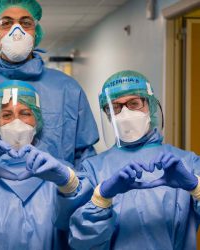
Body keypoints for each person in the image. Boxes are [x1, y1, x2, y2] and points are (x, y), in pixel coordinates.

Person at [0, 80, 93, 250]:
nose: (16, 122)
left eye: (25, 113)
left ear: (37, 119)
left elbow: (83, 230)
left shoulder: (58, 171)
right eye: (6, 115)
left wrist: (68, 185)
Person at [0, 0, 99, 166]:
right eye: (6, 23)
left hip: (55, 190)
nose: (16, 32)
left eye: (25, 23)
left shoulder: (67, 89)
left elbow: (85, 160)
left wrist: (69, 185)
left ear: (36, 31)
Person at [69, 70, 200, 250]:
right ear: (107, 114)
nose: (125, 114)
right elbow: (81, 242)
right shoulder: (92, 168)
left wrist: (196, 187)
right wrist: (101, 198)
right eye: (115, 107)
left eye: (134, 103)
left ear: (150, 106)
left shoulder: (187, 163)